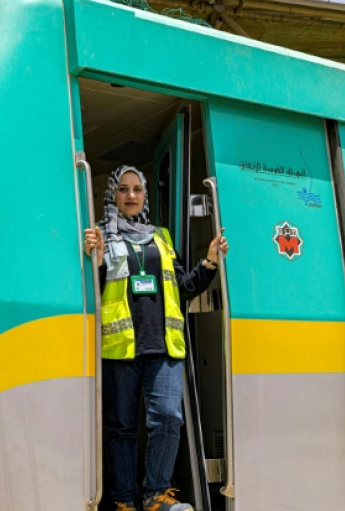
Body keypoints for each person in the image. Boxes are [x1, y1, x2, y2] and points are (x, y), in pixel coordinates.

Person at [84, 165, 228, 511]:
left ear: (145, 195)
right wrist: (96, 259)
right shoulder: (100, 236)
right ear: (112, 195)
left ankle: (156, 495)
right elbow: (91, 292)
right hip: (120, 348)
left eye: (137, 189)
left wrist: (208, 264)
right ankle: (123, 499)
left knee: (168, 417)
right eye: (123, 189)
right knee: (121, 428)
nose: (131, 195)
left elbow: (179, 289)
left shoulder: (161, 237)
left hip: (163, 344)